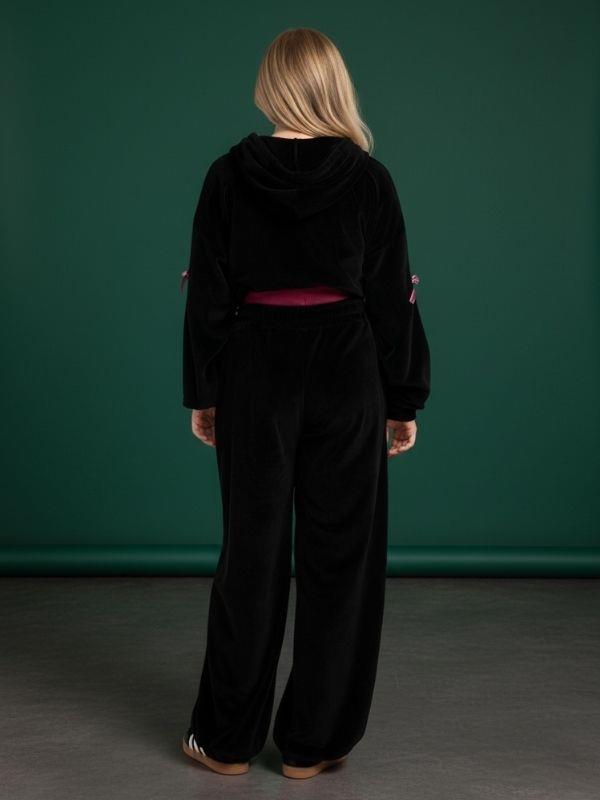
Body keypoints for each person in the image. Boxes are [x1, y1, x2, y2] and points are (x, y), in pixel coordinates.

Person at [180, 27, 431, 780]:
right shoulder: (369, 179)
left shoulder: (228, 175)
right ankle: (311, 745)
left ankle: (227, 742)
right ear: (333, 85)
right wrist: (404, 398)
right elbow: (393, 299)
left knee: (250, 555)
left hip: (255, 367)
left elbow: (208, 296)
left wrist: (204, 392)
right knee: (341, 558)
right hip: (347, 369)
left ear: (271, 85)